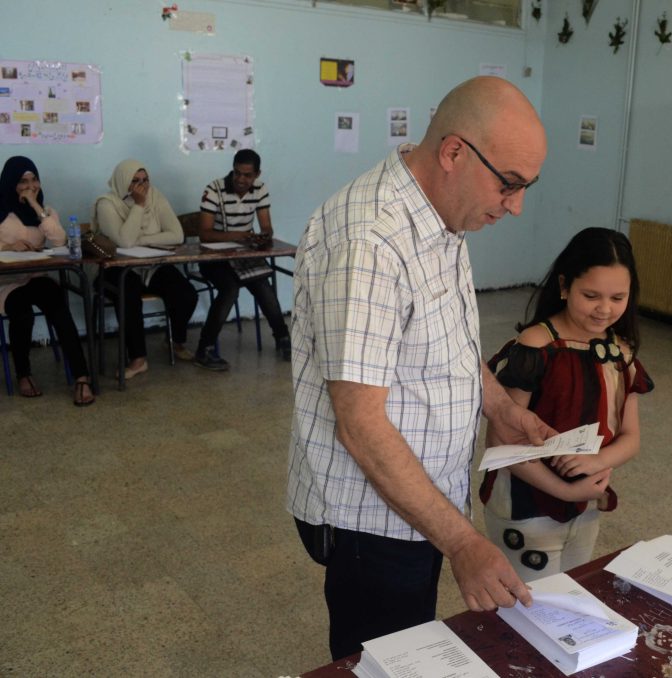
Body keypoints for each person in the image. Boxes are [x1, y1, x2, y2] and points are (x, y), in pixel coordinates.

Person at [287, 76, 551, 660]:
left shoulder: (443, 212)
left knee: (412, 644)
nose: (516, 206)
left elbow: (448, 339)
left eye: (527, 187)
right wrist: (462, 542)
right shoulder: (370, 240)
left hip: (422, 502)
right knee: (387, 658)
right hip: (372, 520)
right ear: (454, 152)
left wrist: (501, 407)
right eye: (509, 185)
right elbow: (360, 425)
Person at [479, 227, 653, 581]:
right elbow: (502, 442)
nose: (604, 309)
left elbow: (631, 437)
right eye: (591, 295)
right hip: (526, 505)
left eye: (618, 297)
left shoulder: (621, 351)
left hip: (586, 503)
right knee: (529, 607)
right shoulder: (536, 347)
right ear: (564, 286)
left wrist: (596, 462)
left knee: (571, 595)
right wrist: (564, 488)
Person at [0, 156, 95, 406]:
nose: (30, 185)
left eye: (34, 180)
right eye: (23, 181)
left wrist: (35, 205)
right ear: (11, 182)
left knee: (58, 306)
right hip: (6, 283)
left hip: (37, 276)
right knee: (22, 314)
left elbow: (59, 241)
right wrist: (8, 247)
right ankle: (23, 374)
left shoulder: (46, 211)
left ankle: (81, 376)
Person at [94, 159, 198, 378]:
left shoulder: (155, 196)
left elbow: (177, 235)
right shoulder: (106, 203)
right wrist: (139, 206)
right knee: (128, 296)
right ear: (123, 181)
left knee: (186, 294)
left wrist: (140, 238)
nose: (142, 186)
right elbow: (123, 243)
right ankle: (138, 358)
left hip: (150, 265)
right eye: (135, 181)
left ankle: (175, 340)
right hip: (117, 269)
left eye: (145, 180)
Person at [192, 149, 290, 370]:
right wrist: (241, 236)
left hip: (243, 255)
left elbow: (266, 226)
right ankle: (204, 349)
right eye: (237, 173)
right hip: (213, 258)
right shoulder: (214, 190)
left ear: (257, 174)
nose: (241, 180)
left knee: (263, 286)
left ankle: (283, 338)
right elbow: (205, 234)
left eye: (247, 175)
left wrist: (264, 236)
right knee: (229, 289)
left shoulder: (260, 189)